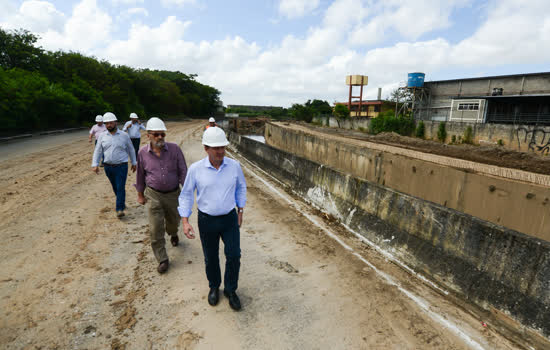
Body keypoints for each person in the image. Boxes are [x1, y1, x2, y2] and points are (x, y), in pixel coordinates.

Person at [178, 127, 246, 311]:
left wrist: (240, 210)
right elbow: (186, 195)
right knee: (211, 257)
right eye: (216, 148)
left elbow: (240, 187)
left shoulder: (234, 166)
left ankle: (231, 290)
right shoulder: (196, 169)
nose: (220, 151)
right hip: (207, 220)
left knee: (234, 254)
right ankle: (214, 286)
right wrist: (185, 221)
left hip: (229, 219)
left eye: (222, 147)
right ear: (206, 148)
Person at [135, 117, 188, 274]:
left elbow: (183, 171)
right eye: (156, 134)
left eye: (162, 134)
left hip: (173, 194)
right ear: (148, 136)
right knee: (155, 228)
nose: (160, 138)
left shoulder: (175, 149)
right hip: (153, 194)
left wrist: (187, 192)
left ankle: (173, 232)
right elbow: (140, 175)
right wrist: (140, 194)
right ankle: (162, 259)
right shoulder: (142, 153)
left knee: (173, 222)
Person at [92, 112, 137, 218]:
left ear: (115, 122)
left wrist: (134, 162)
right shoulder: (102, 136)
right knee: (115, 187)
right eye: (106, 123)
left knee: (120, 186)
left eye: (111, 123)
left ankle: (119, 209)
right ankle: (121, 202)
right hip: (108, 167)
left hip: (122, 166)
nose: (109, 125)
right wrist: (95, 164)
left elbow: (131, 149)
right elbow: (98, 151)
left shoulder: (124, 135)